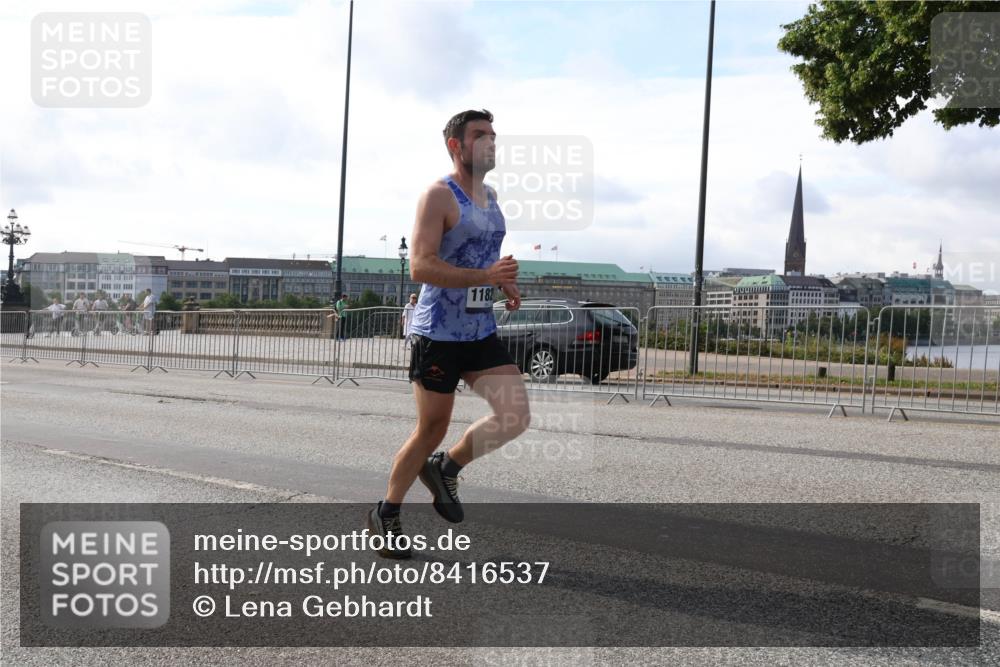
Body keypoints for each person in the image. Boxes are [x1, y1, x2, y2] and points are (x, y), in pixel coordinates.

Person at [366, 109, 529, 559]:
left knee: (515, 415)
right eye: (480, 135)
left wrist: (503, 280)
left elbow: (483, 257)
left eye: (493, 135)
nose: (491, 142)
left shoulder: (491, 197)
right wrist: (486, 275)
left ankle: (447, 467)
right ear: (456, 145)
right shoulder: (438, 196)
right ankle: (386, 512)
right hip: (437, 332)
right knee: (431, 429)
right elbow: (421, 266)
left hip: (479, 329)